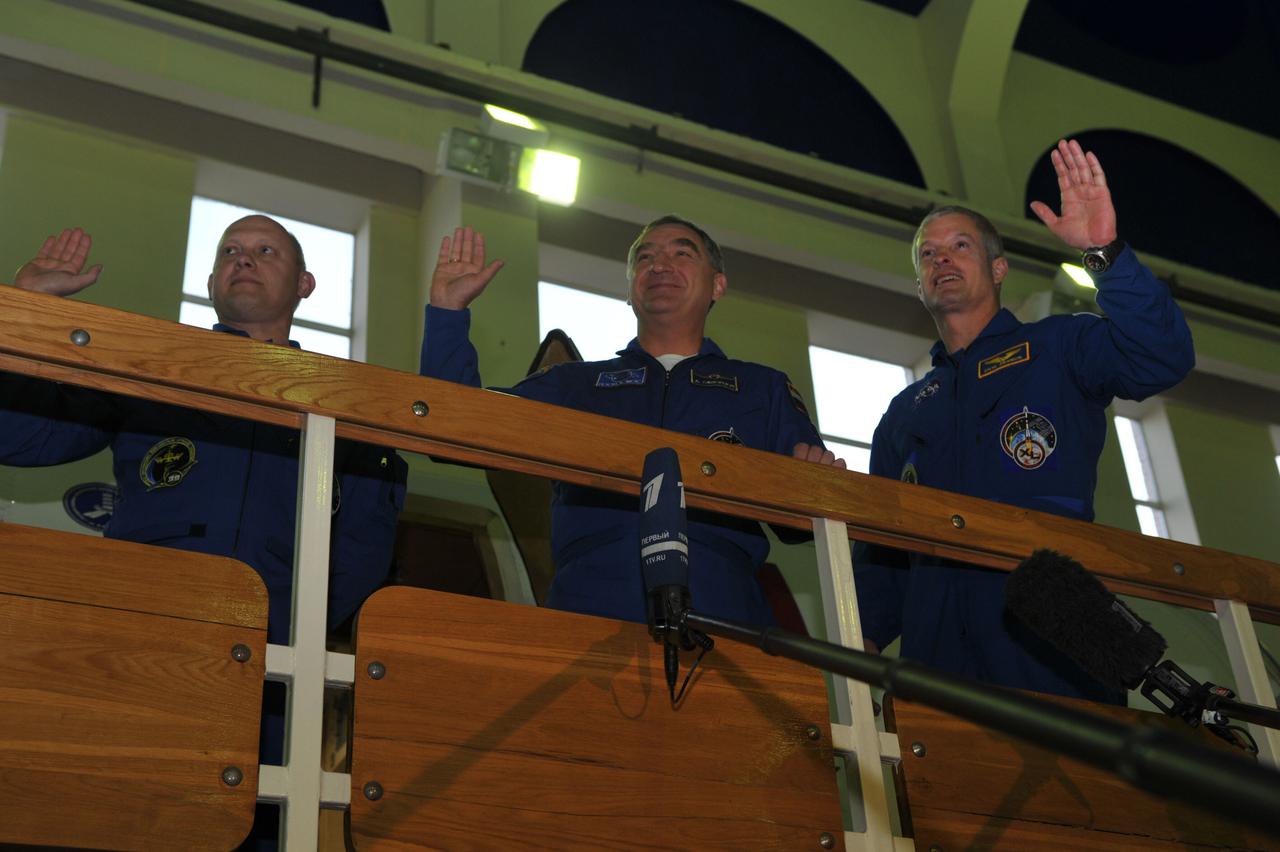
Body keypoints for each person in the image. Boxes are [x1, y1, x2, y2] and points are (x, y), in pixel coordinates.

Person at [854, 139, 1195, 701]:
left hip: (1052, 639)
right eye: (927, 254)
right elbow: (883, 554)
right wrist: (861, 638)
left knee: (1083, 785)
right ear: (919, 286)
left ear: (998, 268)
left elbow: (1162, 357)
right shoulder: (904, 413)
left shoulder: (1060, 346)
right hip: (936, 661)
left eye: (959, 246)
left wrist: (1104, 253)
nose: (941, 260)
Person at [421, 215, 843, 625]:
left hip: (725, 610)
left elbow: (805, 525)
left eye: (682, 253)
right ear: (629, 290)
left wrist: (816, 483)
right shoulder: (574, 385)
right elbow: (456, 429)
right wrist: (447, 314)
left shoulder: (762, 389)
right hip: (589, 606)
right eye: (644, 257)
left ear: (717, 284)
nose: (659, 265)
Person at [1, 218, 406, 646]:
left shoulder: (342, 405)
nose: (244, 259)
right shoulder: (150, 373)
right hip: (130, 625)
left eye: (265, 251)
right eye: (229, 252)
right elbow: (17, 436)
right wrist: (23, 312)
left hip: (269, 646)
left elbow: (362, 552)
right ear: (212, 283)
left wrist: (292, 631)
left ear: (304, 283)